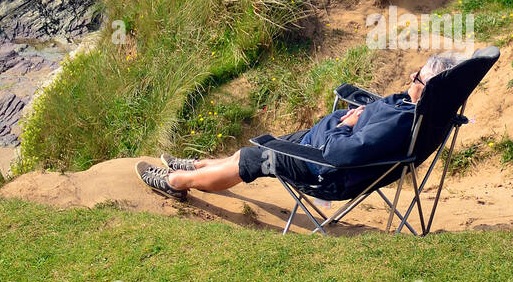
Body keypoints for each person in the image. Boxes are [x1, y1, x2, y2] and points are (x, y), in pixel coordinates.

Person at [136, 52, 464, 200]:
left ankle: (177, 182)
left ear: (428, 86)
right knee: (252, 150)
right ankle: (195, 166)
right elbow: (373, 127)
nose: (410, 76)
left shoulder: (400, 123)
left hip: (325, 170)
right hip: (316, 147)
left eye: (417, 75)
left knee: (252, 161)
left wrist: (345, 124)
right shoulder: (418, 109)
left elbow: (344, 153)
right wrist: (359, 114)